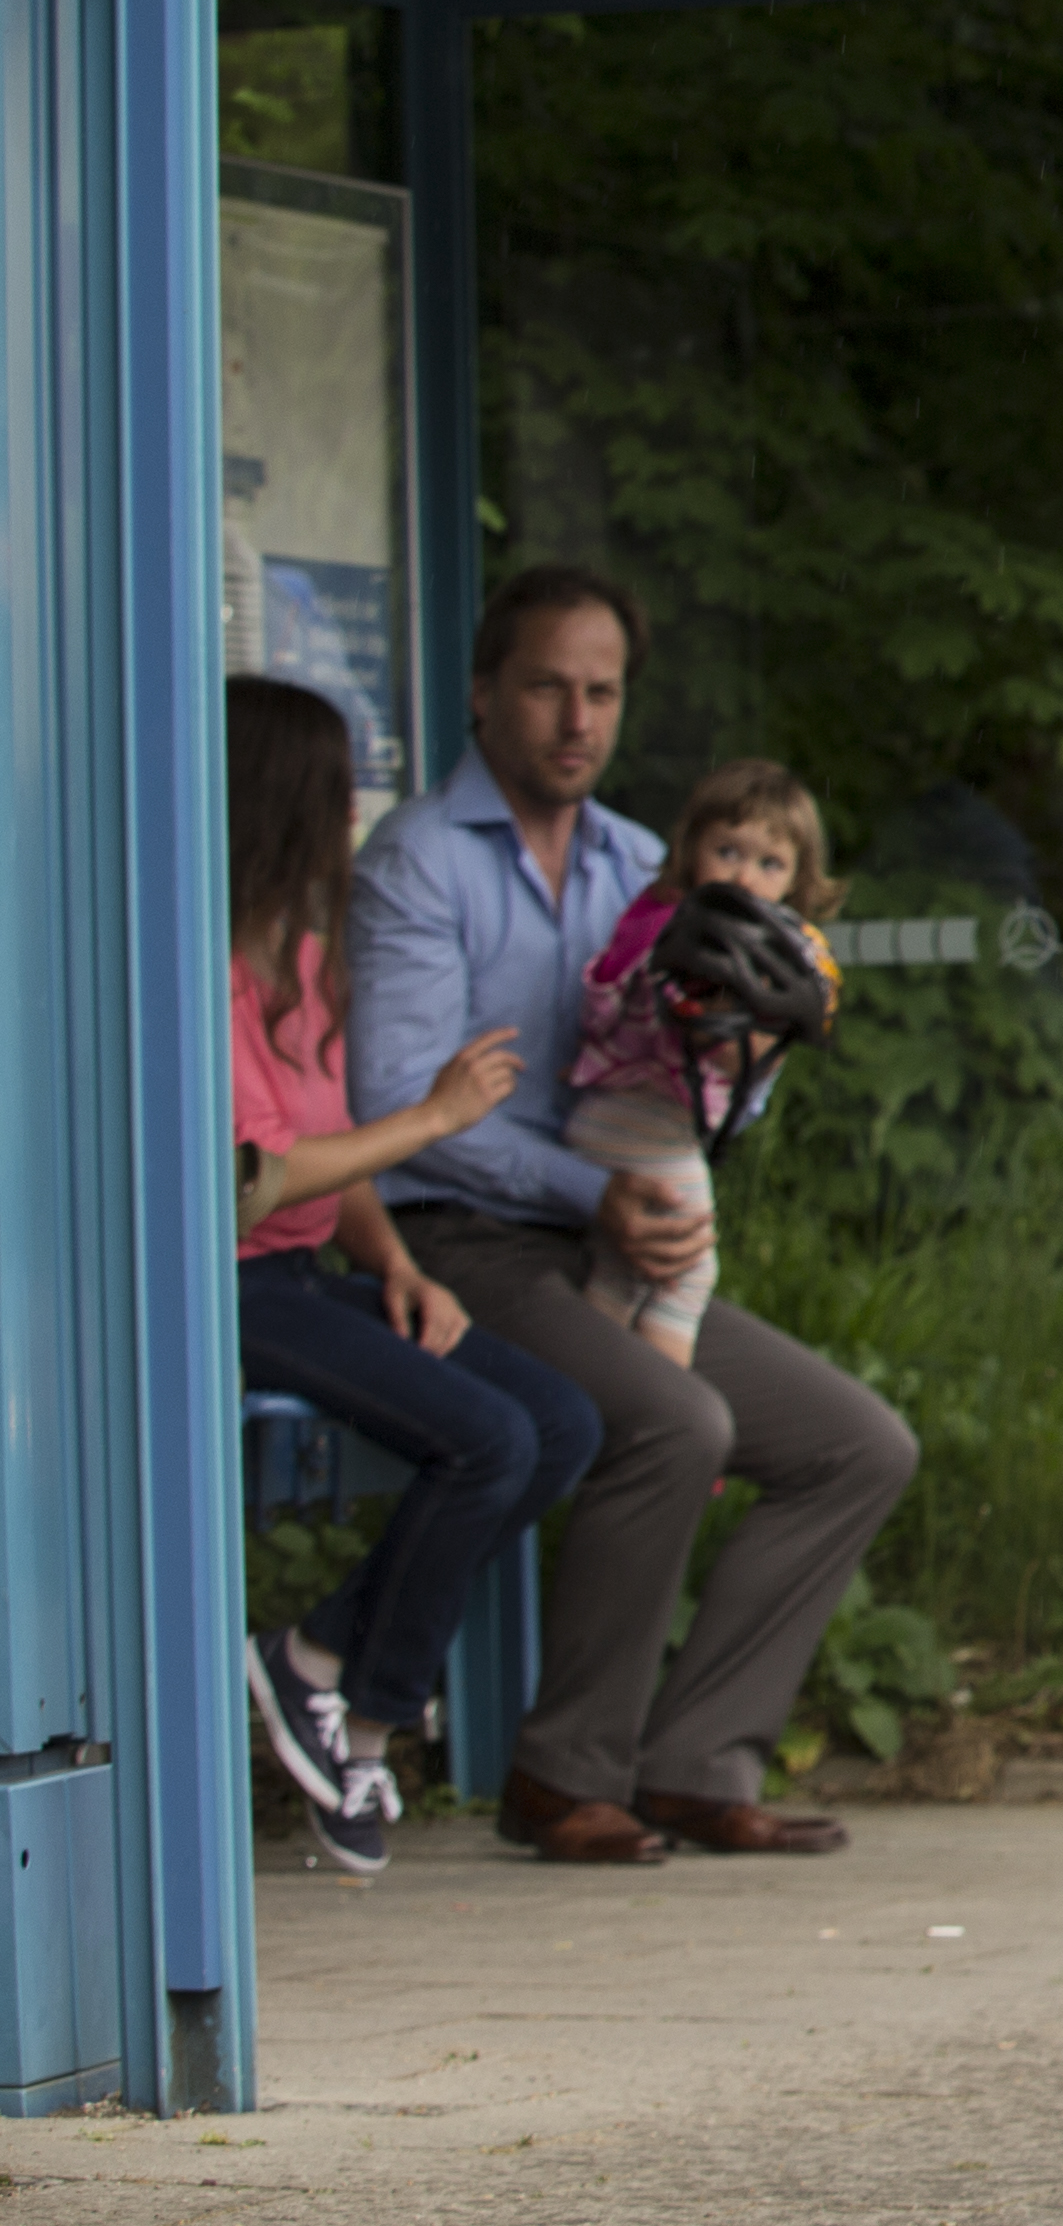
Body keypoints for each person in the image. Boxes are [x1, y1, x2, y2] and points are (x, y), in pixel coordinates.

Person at [354, 569, 916, 1866]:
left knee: (858, 1445)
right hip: (457, 1242)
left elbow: (692, 1087)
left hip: (612, 1238)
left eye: (601, 692)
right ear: (487, 691)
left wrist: (754, 1057)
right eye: (549, 685)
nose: (576, 718)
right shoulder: (421, 863)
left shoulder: (644, 862)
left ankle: (697, 1765)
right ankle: (562, 1776)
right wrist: (594, 1195)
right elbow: (400, 1107)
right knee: (672, 1419)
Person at [220, 675, 603, 1881]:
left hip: (310, 1272)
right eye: (334, 795)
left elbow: (336, 1168)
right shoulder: (202, 976)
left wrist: (392, 1265)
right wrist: (435, 1115)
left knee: (558, 1421)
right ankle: (369, 1713)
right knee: (483, 1440)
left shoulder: (307, 961)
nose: (350, 819)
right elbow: (257, 1180)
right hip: (226, 1289)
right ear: (281, 804)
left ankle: (319, 1658)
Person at [561, 762, 844, 1368]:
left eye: (770, 864)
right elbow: (709, 1040)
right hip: (644, 1127)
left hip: (609, 1123)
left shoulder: (656, 915)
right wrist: (766, 1009)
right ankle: (663, 1400)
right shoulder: (685, 928)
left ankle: (597, 1383)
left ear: (797, 879)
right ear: (691, 849)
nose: (743, 876)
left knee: (621, 1275)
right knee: (689, 1271)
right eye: (727, 851)